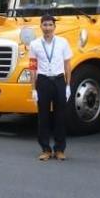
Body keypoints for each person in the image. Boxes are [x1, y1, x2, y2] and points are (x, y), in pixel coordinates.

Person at [29, 13, 72, 161]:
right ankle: (46, 149)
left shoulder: (62, 42)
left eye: (50, 25)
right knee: (43, 116)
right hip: (43, 81)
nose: (47, 28)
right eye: (45, 25)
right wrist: (33, 88)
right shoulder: (34, 44)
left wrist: (68, 85)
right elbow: (33, 67)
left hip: (59, 80)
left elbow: (67, 64)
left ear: (54, 27)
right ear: (40, 27)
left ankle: (60, 149)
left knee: (60, 115)